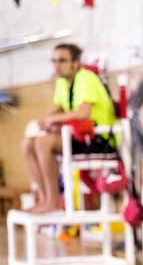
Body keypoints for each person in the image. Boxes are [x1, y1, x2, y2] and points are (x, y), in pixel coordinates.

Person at [20, 43, 117, 213]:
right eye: (54, 61)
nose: (57, 65)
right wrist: (44, 120)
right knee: (27, 144)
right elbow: (61, 108)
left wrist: (53, 119)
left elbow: (83, 113)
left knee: (44, 143)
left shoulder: (85, 78)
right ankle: (44, 199)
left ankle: (53, 202)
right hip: (79, 137)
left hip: (99, 139)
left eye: (62, 61)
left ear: (75, 62)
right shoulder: (62, 82)